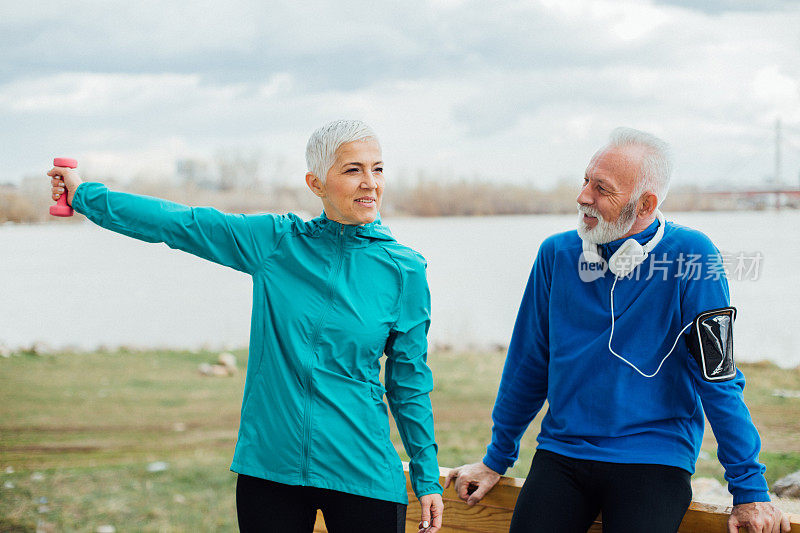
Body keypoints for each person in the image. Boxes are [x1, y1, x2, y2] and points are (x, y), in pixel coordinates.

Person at [49, 119, 444, 533]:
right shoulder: (277, 244)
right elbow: (181, 223)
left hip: (363, 472)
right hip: (270, 470)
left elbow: (409, 381)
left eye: (377, 169)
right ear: (316, 183)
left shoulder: (404, 270)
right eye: (352, 170)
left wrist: (427, 475)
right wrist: (85, 195)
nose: (370, 183)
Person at [445, 127, 790, 533]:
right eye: (585, 181)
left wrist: (749, 489)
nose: (583, 196)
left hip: (654, 458)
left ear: (645, 203)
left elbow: (719, 375)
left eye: (601, 188)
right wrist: (496, 458)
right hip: (563, 452)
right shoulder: (556, 254)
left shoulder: (694, 256)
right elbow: (528, 361)